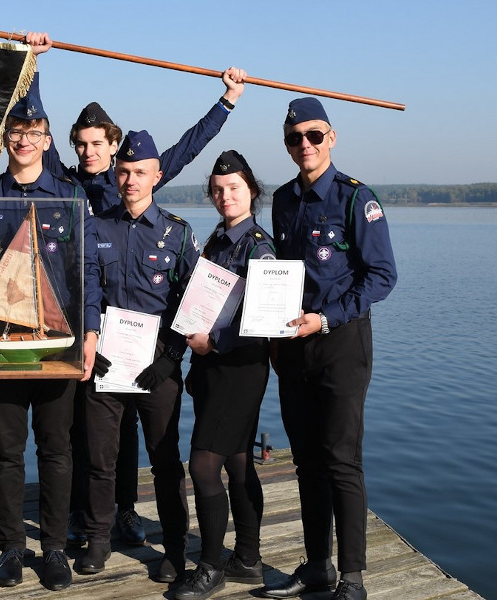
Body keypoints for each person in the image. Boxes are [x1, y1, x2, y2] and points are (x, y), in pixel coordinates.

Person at [40, 55, 247, 549]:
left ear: (114, 148)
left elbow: (186, 149)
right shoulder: (67, 185)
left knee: (135, 432)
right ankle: (85, 518)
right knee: (83, 432)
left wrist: (227, 102)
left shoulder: (137, 185)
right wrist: (31, 67)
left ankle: (127, 512)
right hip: (86, 322)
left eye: (97, 144)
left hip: (147, 339)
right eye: (81, 145)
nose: (89, 153)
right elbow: (36, 138)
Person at [0, 32, 103, 593]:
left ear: (48, 140)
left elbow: (88, 271)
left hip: (57, 344)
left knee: (57, 449)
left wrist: (89, 331)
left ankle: (52, 550)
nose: (25, 139)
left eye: (36, 132)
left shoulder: (71, 195)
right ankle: (10, 549)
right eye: (17, 132)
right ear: (8, 139)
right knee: (6, 450)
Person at [260, 98, 397, 600]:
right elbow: (279, 276)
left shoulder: (356, 198)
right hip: (293, 346)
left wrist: (327, 317)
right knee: (305, 462)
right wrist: (274, 333)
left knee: (341, 460)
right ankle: (317, 564)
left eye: (314, 136)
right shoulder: (282, 201)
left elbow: (382, 276)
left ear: (331, 138)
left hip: (341, 342)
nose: (305, 146)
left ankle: (353, 577)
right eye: (295, 138)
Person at [76, 130, 200, 583]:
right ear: (116, 172)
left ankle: (173, 548)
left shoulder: (178, 233)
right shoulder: (94, 227)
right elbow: (85, 289)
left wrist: (170, 358)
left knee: (165, 460)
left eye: (140, 172)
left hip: (158, 369)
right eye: (124, 171)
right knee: (99, 458)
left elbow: (194, 302)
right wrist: (91, 339)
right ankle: (97, 539)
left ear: (157, 176)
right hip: (104, 365)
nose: (130, 180)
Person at [173, 150, 275, 600]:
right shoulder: (217, 239)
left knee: (203, 464)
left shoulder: (259, 246)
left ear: (251, 190)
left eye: (233, 187)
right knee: (236, 460)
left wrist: (215, 343)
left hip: (239, 366)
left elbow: (265, 319)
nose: (224, 195)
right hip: (211, 366)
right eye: (217, 189)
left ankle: (211, 567)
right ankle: (248, 559)